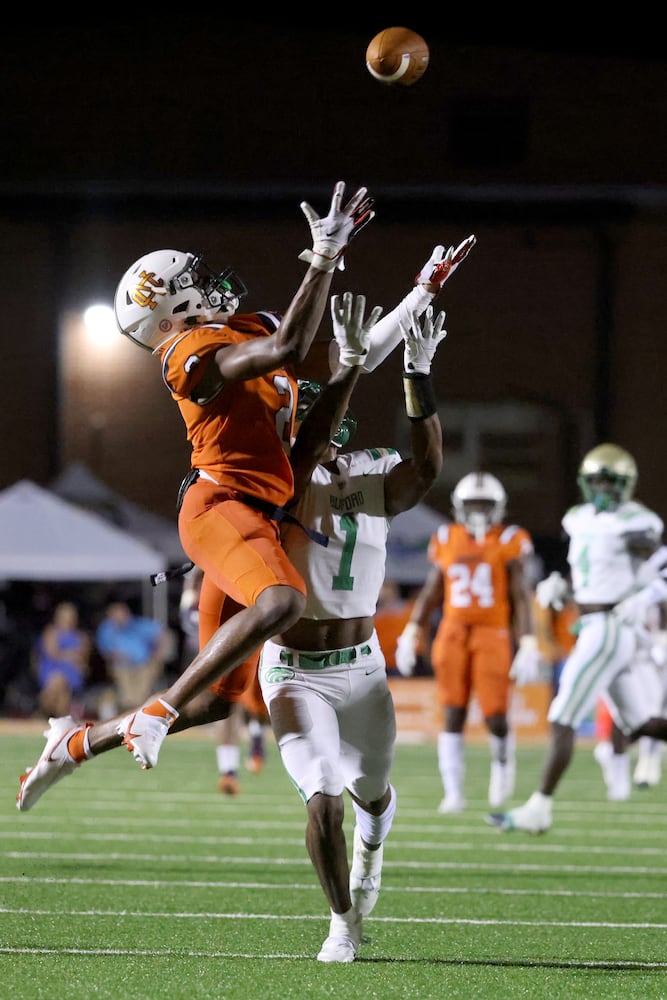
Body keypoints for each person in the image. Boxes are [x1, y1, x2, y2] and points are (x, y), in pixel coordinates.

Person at [16, 230, 475, 823]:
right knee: (284, 602)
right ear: (169, 314)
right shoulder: (184, 353)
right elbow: (290, 346)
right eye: (190, 285)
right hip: (221, 509)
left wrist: (420, 294)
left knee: (216, 701)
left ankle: (74, 744)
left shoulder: (244, 326)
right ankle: (157, 713)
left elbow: (351, 353)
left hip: (256, 520)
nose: (207, 286)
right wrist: (324, 256)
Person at [259, 287, 450, 963]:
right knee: (323, 800)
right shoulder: (277, 480)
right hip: (291, 670)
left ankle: (373, 848)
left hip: (361, 668)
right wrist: (347, 362)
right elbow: (301, 470)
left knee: (370, 794)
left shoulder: (366, 476)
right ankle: (341, 920)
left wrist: (415, 374)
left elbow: (423, 471)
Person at [487, 443, 667, 834]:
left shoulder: (638, 522)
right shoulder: (578, 518)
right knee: (643, 725)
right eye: (596, 480)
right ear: (586, 483)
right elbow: (588, 572)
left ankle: (540, 806)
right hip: (593, 622)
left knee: (562, 716)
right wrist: (562, 587)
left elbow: (660, 566)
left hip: (610, 626)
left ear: (626, 484)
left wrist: (647, 595)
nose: (603, 489)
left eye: (610, 481)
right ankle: (540, 807)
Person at [394, 471, 538, 814]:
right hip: (453, 630)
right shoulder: (446, 536)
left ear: (498, 507)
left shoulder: (510, 538)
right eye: (472, 504)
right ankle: (454, 790)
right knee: (453, 710)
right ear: (459, 506)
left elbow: (519, 595)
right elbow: (433, 589)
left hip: (493, 631)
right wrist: (413, 628)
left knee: (495, 714)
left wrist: (529, 640)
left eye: (485, 504)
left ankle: (503, 767)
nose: (478, 511)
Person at [96, 601, 172, 713]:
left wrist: (157, 653)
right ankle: (132, 708)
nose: (119, 617)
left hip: (145, 664)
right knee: (126, 686)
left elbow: (163, 633)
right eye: (115, 614)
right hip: (121, 665)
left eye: (121, 613)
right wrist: (117, 656)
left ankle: (135, 708)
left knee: (147, 676)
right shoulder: (106, 629)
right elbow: (105, 651)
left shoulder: (140, 624)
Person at [34, 601, 90, 718]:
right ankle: (57, 717)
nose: (69, 620)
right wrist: (70, 655)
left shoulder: (81, 636)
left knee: (60, 684)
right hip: (51, 667)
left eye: (71, 617)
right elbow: (52, 653)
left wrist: (66, 654)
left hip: (72, 671)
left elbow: (82, 658)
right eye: (65, 617)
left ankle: (45, 715)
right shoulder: (51, 632)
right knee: (58, 683)